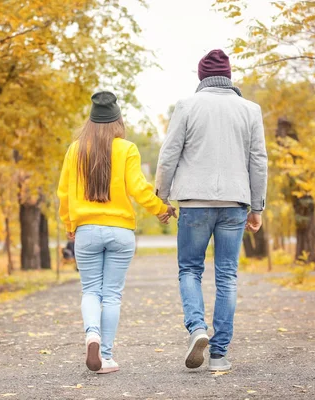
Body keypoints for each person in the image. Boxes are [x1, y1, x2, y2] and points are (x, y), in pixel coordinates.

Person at [155, 49, 268, 372]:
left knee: (190, 269)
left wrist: (162, 195)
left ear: (202, 77)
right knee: (227, 276)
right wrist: (257, 207)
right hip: (235, 203)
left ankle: (197, 328)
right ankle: (219, 355)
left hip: (194, 203)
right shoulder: (250, 110)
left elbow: (168, 155)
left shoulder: (187, 106)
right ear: (229, 76)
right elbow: (258, 161)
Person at [57, 91, 176, 374]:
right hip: (121, 232)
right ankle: (106, 356)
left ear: (91, 120)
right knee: (111, 295)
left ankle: (91, 335)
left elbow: (63, 193)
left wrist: (69, 224)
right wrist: (160, 208)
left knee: (90, 291)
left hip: (86, 230)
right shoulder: (127, 149)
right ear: (117, 120)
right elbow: (138, 187)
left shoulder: (75, 150)